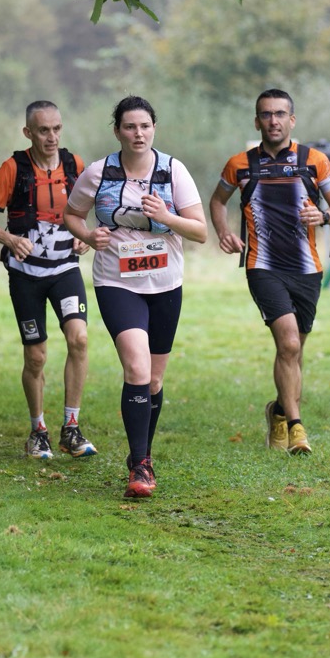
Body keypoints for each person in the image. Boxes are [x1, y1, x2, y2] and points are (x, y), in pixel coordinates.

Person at [64, 96, 206, 498]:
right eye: (130, 127)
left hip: (165, 283)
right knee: (137, 368)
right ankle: (140, 465)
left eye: (145, 126)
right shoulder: (98, 172)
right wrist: (88, 235)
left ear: (154, 129)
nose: (138, 134)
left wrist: (166, 216)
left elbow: (200, 231)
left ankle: (142, 454)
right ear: (117, 131)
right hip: (117, 281)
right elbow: (71, 214)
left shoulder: (173, 171)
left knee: (155, 379)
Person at [208, 89, 330, 455]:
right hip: (263, 266)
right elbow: (218, 201)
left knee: (294, 352)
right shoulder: (240, 164)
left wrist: (323, 215)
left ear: (292, 120)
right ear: (257, 122)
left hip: (307, 269)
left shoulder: (314, 161)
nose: (273, 121)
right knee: (287, 344)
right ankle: (298, 429)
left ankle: (279, 413)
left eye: (280, 114)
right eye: (266, 115)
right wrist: (223, 232)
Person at [0, 101, 96, 460]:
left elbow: (88, 212)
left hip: (65, 270)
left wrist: (84, 236)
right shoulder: (13, 168)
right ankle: (38, 431)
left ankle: (71, 428)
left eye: (56, 129)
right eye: (43, 130)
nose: (51, 137)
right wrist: (10, 239)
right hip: (26, 276)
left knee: (79, 339)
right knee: (36, 357)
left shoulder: (75, 166)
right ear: (28, 133)